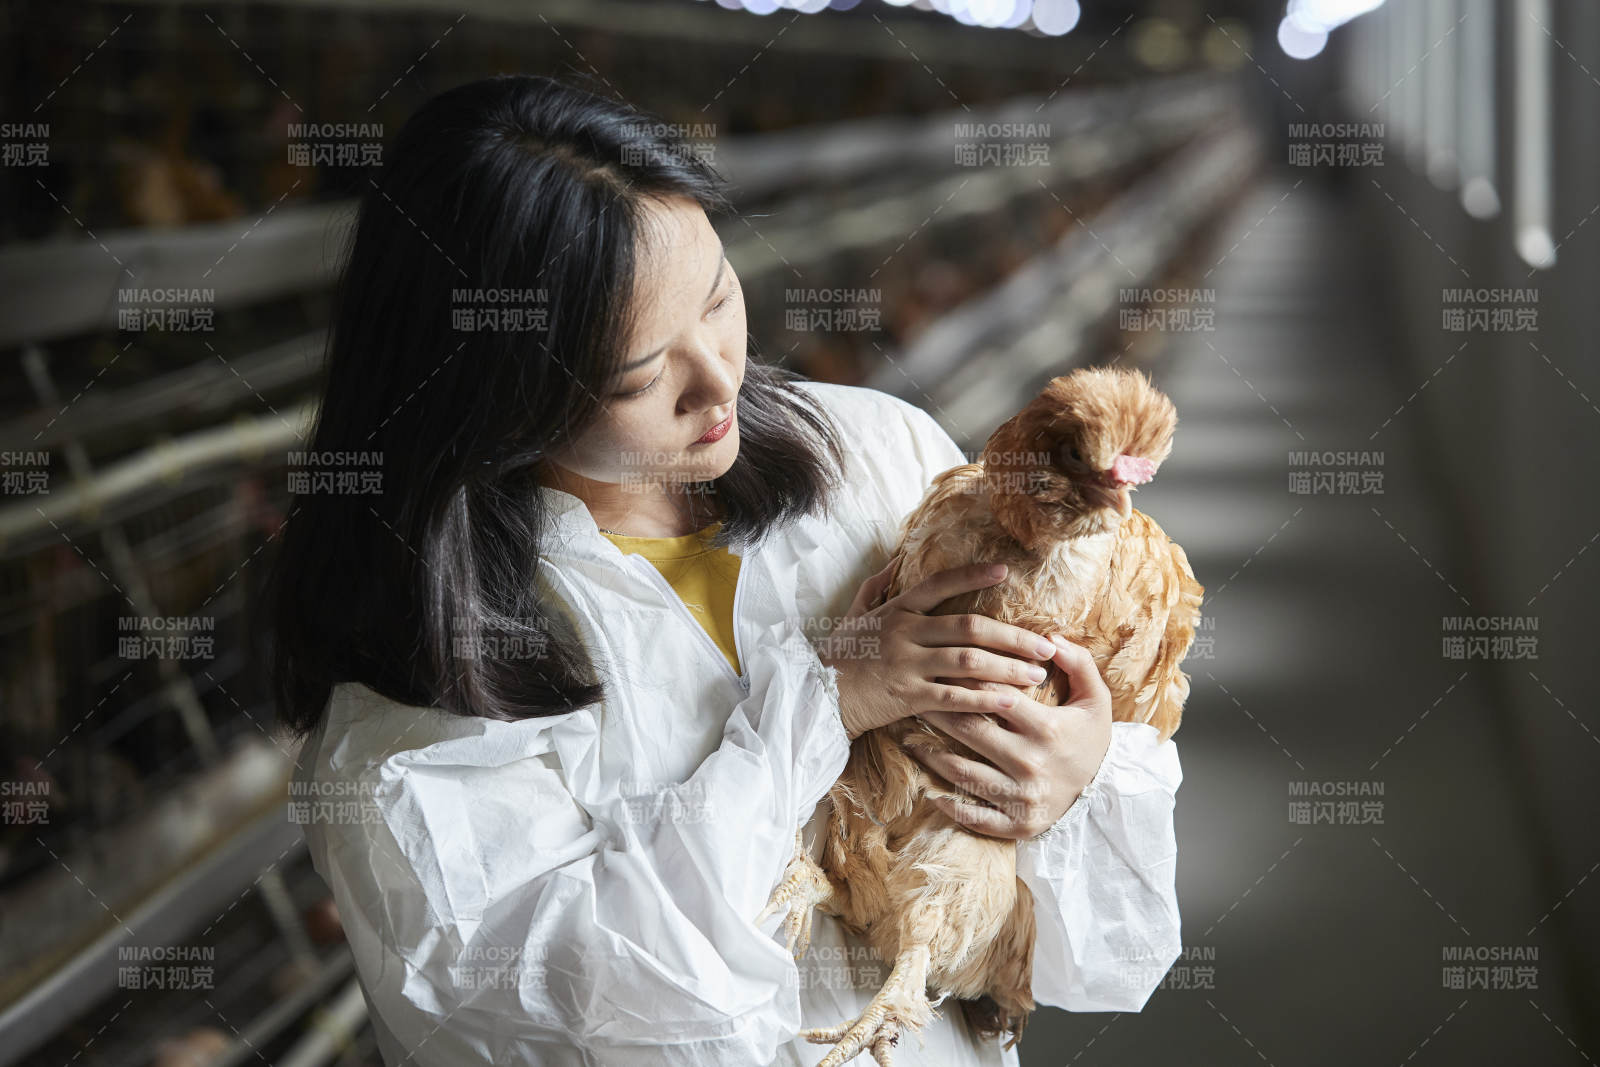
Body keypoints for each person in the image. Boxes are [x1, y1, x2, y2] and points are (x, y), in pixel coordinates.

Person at [267, 73, 1182, 1066]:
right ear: (498, 389)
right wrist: (822, 702)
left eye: (716, 297)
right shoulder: (414, 716)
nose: (718, 378)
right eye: (639, 371)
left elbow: (1095, 946)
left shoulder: (874, 455)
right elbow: (612, 1006)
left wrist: (1077, 770)